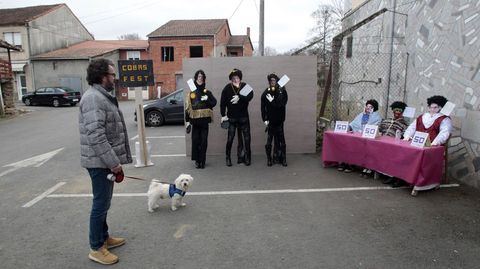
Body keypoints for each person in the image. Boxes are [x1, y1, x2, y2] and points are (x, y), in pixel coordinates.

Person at [79, 58, 132, 265]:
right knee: (100, 204)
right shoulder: (94, 98)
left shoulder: (101, 96)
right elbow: (96, 136)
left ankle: (104, 237)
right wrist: (114, 163)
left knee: (104, 202)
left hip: (102, 161)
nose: (115, 79)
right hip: (99, 162)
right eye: (112, 75)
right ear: (102, 76)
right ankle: (96, 247)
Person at [220, 68, 254, 166]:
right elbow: (222, 103)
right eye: (234, 77)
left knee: (247, 139)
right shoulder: (227, 88)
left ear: (240, 77)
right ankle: (228, 157)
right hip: (232, 118)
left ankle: (248, 158)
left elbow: (250, 96)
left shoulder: (245, 86)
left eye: (237, 77)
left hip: (244, 118)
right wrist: (223, 115)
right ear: (231, 78)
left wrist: (240, 97)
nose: (236, 79)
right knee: (230, 138)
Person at [338, 99, 382, 173]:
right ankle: (345, 161)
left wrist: (366, 118)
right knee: (346, 141)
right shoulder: (362, 114)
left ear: (374, 108)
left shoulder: (376, 117)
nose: (368, 108)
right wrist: (347, 127)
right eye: (367, 106)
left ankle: (352, 164)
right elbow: (353, 123)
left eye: (370, 107)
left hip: (367, 137)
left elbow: (371, 128)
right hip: (356, 135)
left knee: (354, 144)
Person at [185, 70, 217, 169]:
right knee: (195, 141)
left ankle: (202, 161)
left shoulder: (207, 92)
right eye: (199, 76)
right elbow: (188, 107)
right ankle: (197, 161)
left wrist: (207, 99)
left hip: (204, 121)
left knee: (203, 142)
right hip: (195, 121)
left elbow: (214, 103)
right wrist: (187, 121)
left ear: (204, 78)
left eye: (202, 76)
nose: (200, 78)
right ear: (196, 78)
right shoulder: (191, 93)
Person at [378, 101, 409, 186]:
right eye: (395, 110)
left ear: (402, 112)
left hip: (394, 145)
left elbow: (405, 136)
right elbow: (379, 129)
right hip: (382, 142)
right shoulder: (386, 120)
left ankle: (392, 175)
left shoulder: (404, 124)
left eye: (399, 110)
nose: (397, 112)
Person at [261, 73, 288, 166]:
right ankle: (269, 159)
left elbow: (280, 105)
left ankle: (283, 159)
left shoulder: (282, 91)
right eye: (271, 80)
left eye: (274, 80)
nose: (272, 82)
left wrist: (272, 101)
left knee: (282, 141)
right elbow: (262, 107)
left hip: (280, 120)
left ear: (277, 81)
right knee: (269, 142)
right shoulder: (266, 92)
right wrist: (264, 119)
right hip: (270, 121)